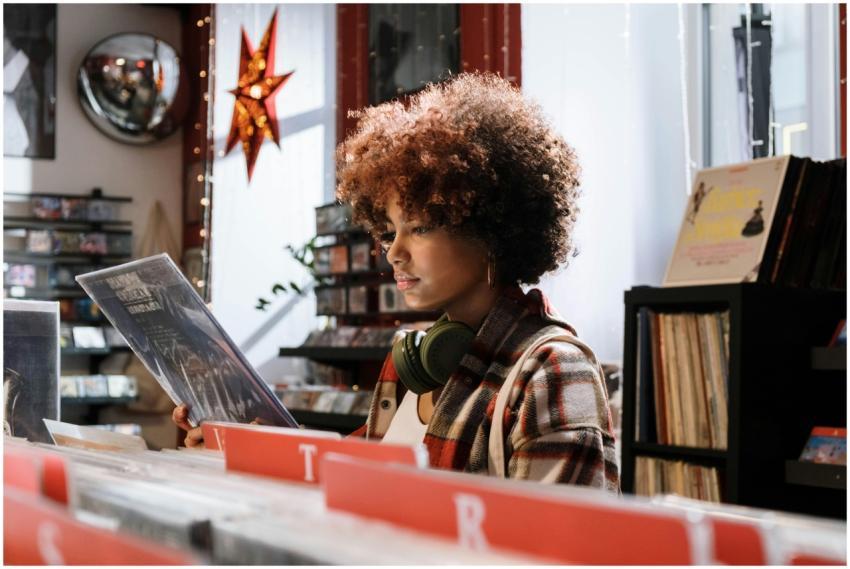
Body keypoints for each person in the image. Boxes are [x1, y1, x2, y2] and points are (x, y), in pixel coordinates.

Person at [175, 72, 620, 492]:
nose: (393, 252)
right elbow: (344, 480)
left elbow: (555, 547)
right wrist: (237, 446)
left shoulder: (553, 372)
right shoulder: (410, 365)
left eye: (421, 228)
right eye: (389, 232)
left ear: (490, 232)